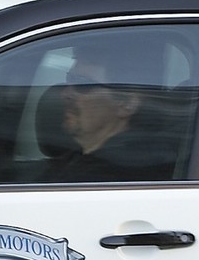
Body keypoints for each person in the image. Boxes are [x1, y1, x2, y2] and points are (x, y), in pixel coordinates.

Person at [44, 35, 185, 182]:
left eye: (83, 85)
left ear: (127, 103)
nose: (65, 93)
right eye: (70, 79)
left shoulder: (117, 176)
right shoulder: (74, 163)